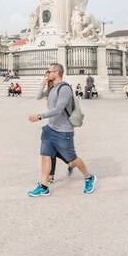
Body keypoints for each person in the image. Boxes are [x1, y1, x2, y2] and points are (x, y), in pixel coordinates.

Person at [27, 63, 96, 197]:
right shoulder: (53, 87)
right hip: (50, 128)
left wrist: (39, 116)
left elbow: (58, 109)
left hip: (63, 131)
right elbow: (38, 96)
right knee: (45, 156)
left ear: (57, 72)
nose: (47, 73)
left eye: (49, 71)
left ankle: (89, 177)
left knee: (72, 159)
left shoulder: (64, 89)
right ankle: (44, 186)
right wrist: (43, 82)